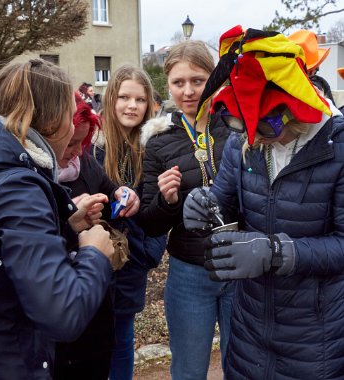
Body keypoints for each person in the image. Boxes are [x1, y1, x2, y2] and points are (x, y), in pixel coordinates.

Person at [183, 25, 344, 379]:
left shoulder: (338, 147)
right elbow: (223, 200)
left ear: (296, 109)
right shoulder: (245, 146)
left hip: (315, 341)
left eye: (267, 128)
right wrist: (202, 203)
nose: (255, 138)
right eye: (241, 125)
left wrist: (278, 253)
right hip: (249, 332)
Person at [0, 59, 119, 379]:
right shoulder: (17, 188)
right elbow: (63, 314)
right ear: (59, 122)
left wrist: (65, 226)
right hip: (3, 362)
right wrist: (94, 254)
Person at [139, 40, 232, 380]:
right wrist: (167, 200)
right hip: (190, 273)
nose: (189, 91)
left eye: (198, 79)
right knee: (189, 370)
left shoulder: (238, 125)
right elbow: (149, 224)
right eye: (179, 83)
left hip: (242, 270)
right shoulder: (159, 141)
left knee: (244, 365)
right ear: (169, 86)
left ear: (214, 78)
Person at [54, 93, 139, 380]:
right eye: (71, 142)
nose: (77, 150)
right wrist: (71, 224)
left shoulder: (86, 163)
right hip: (61, 301)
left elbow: (111, 196)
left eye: (83, 142)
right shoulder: (35, 175)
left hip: (97, 296)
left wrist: (122, 196)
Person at [92, 64, 167, 380]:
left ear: (149, 103)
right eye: (124, 97)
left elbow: (163, 209)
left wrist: (147, 251)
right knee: (90, 341)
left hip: (132, 261)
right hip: (93, 260)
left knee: (122, 338)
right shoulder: (91, 147)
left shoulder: (155, 149)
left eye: (139, 99)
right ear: (111, 99)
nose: (132, 106)